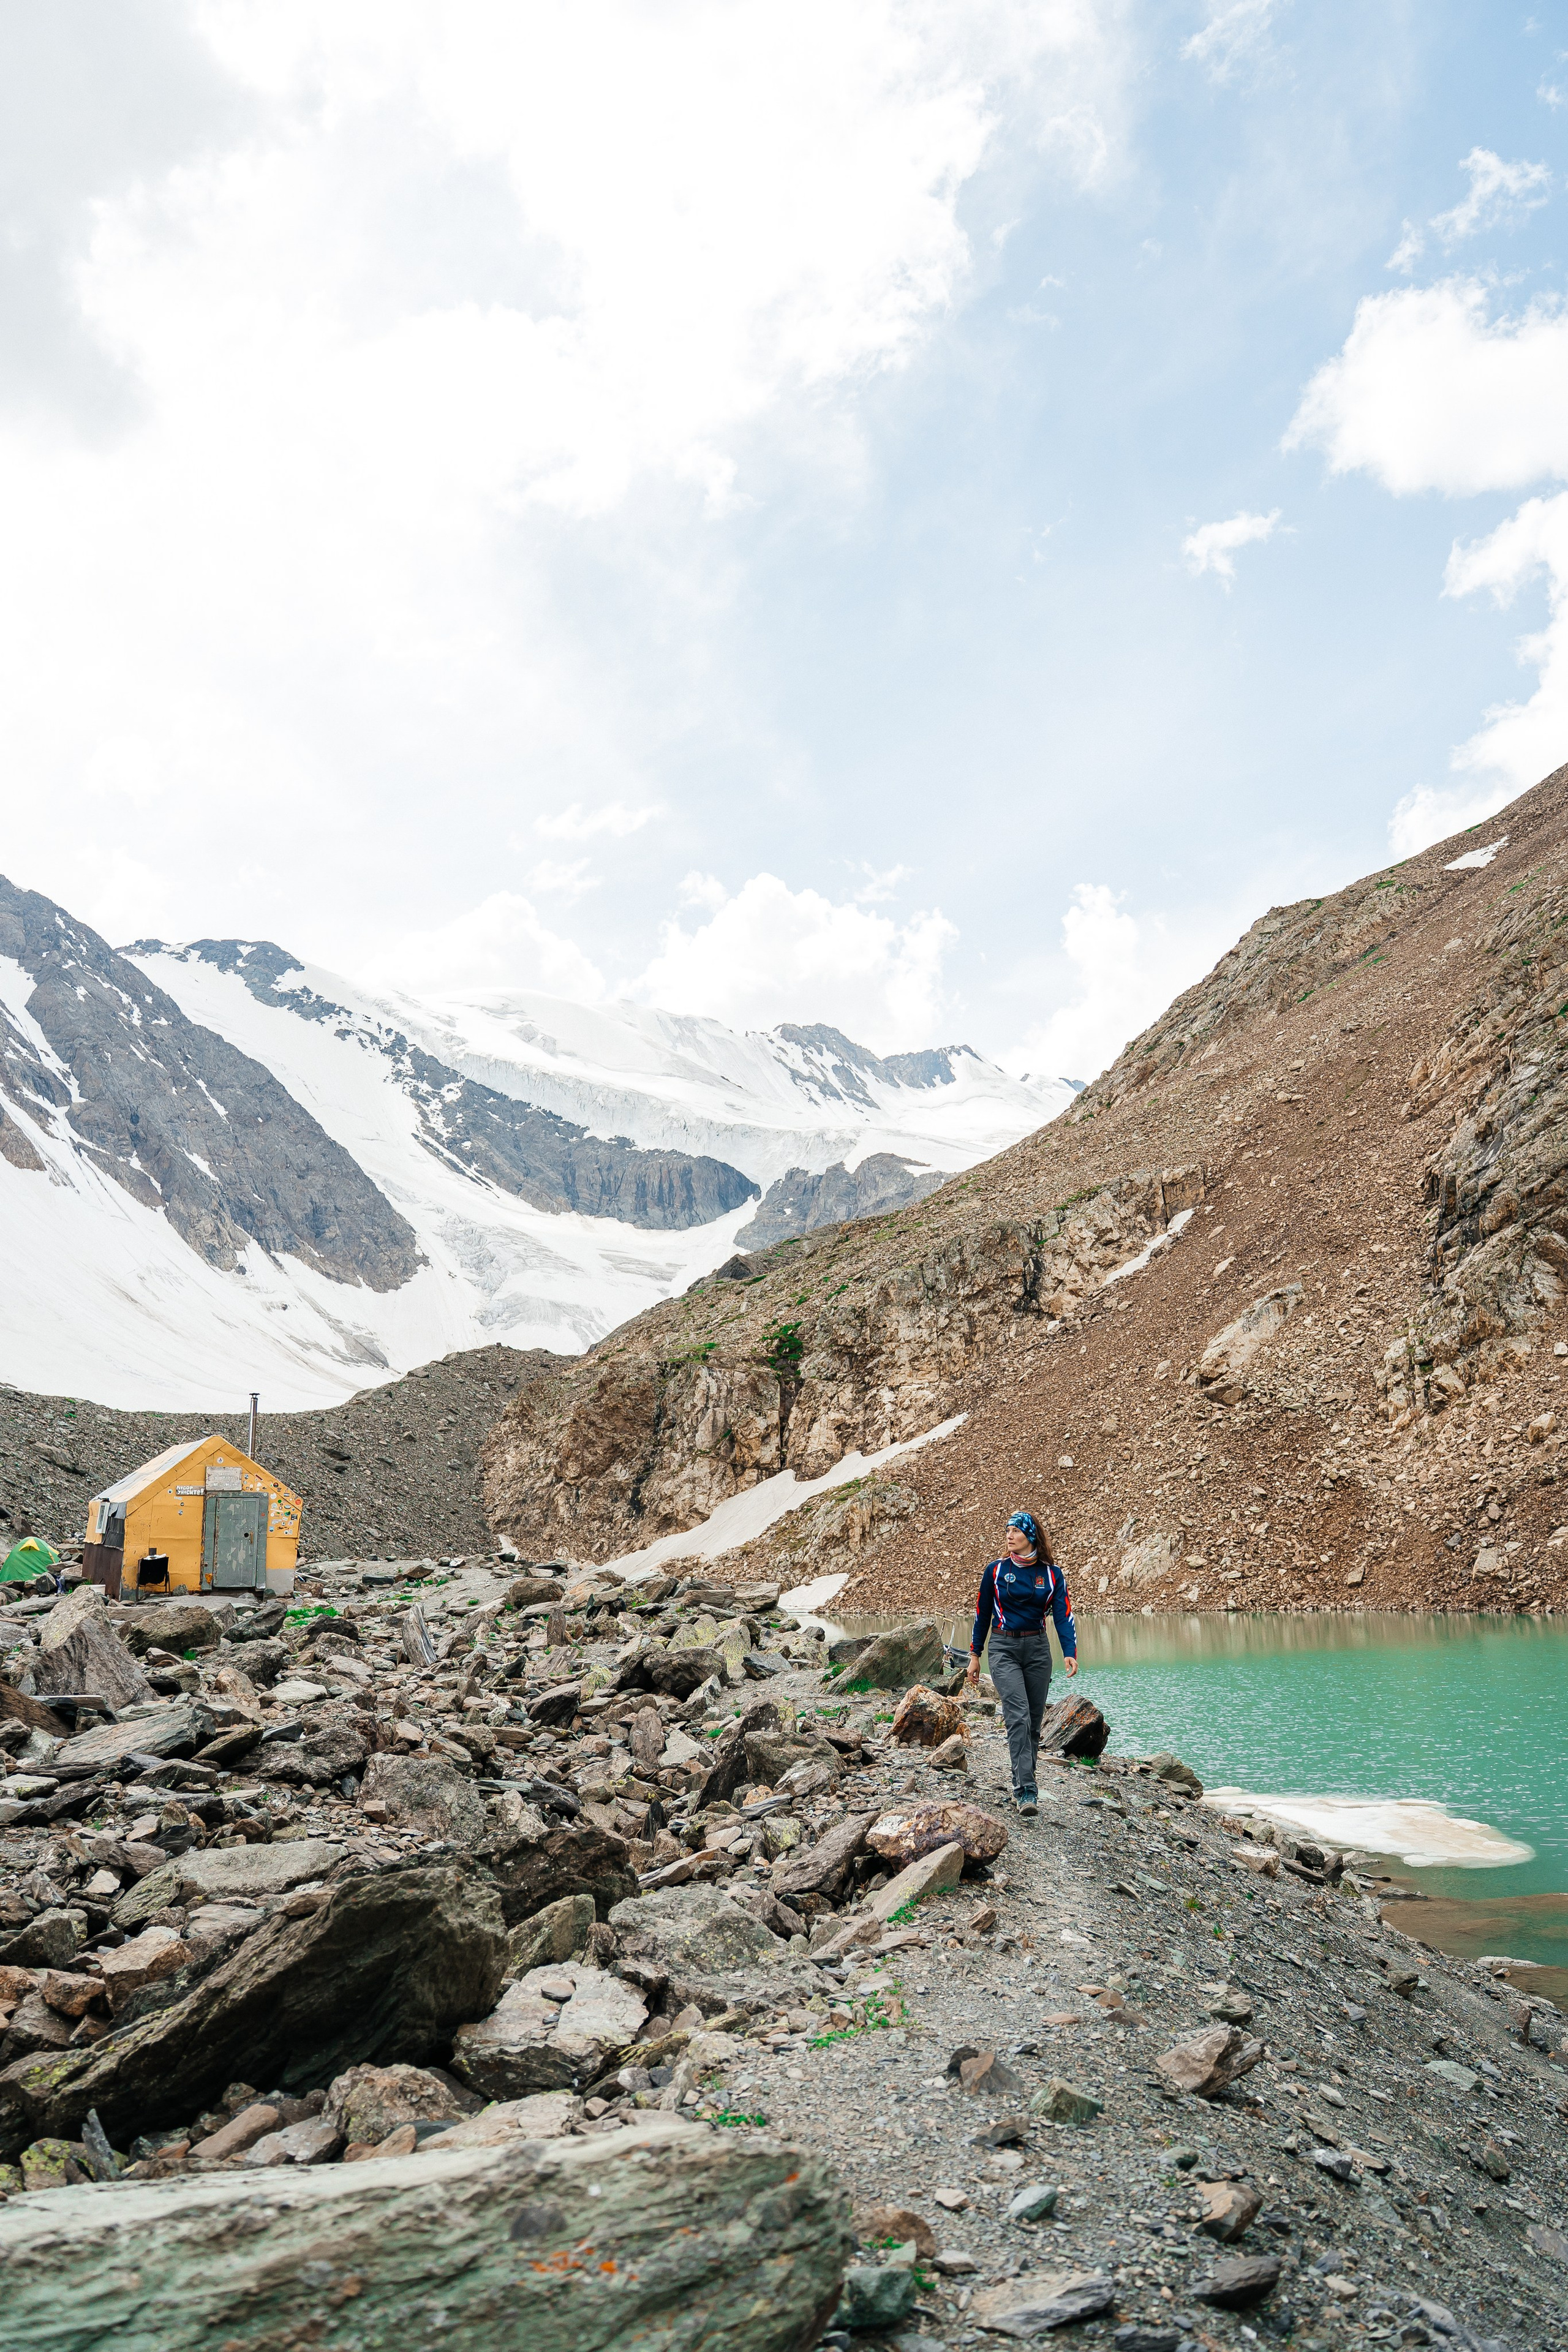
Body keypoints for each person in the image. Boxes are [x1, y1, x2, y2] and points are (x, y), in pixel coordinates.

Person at [967, 1509, 1077, 1817]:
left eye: (1015, 1531)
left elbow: (1063, 1615)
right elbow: (982, 1613)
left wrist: (1070, 1650)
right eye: (1007, 1531)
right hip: (1003, 1647)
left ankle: (1023, 1777)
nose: (1009, 1536)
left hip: (1038, 1650)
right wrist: (975, 1655)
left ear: (1030, 1536)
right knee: (1017, 1715)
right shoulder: (996, 1571)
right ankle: (1026, 1790)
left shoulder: (1053, 1574)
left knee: (1033, 1722)